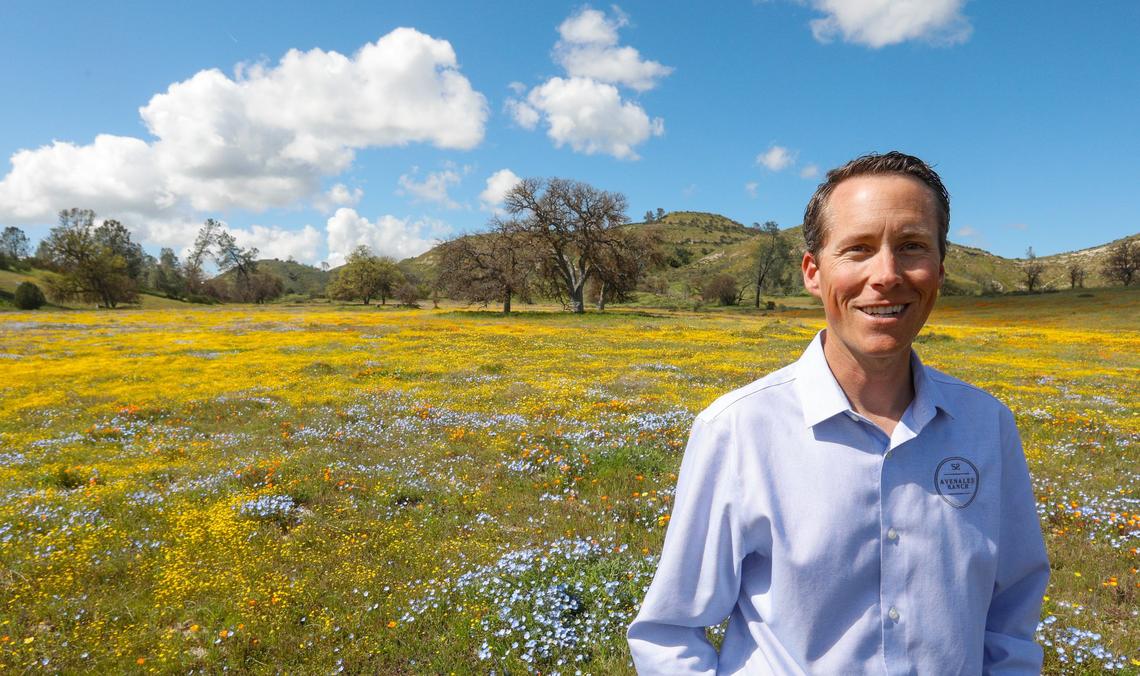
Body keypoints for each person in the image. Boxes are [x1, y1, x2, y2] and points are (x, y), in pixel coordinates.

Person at [627, 151, 1049, 674]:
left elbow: (1011, 618)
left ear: (940, 267)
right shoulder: (738, 429)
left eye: (912, 247)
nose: (887, 275)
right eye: (858, 249)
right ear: (813, 271)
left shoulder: (988, 426)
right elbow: (669, 633)